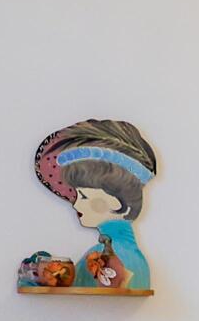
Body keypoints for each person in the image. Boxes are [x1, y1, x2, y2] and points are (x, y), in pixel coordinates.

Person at [33, 118, 158, 291]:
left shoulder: (110, 258)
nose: (75, 204)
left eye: (83, 196)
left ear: (115, 203)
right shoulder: (121, 253)